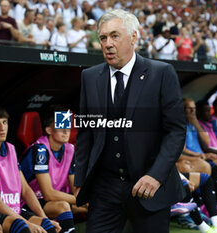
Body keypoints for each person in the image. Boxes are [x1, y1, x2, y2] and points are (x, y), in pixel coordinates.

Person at [75, 9, 186, 233]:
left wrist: (155, 176)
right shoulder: (89, 77)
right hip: (104, 189)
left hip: (149, 187)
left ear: (134, 36)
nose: (107, 44)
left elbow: (176, 131)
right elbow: (86, 132)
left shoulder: (162, 73)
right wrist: (80, 181)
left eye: (115, 36)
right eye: (103, 38)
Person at [0, 106, 61, 233]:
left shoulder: (10, 148)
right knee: (22, 228)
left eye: (4, 122)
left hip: (16, 209)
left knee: (47, 226)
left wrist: (44, 217)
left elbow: (25, 189)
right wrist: (26, 223)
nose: (2, 128)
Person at [21, 106, 86, 232]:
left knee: (97, 205)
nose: (66, 132)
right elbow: (48, 194)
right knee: (63, 206)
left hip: (53, 200)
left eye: (67, 127)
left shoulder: (69, 149)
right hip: (30, 202)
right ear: (49, 129)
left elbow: (75, 188)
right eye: (61, 128)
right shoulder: (40, 149)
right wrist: (82, 200)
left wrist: (87, 199)